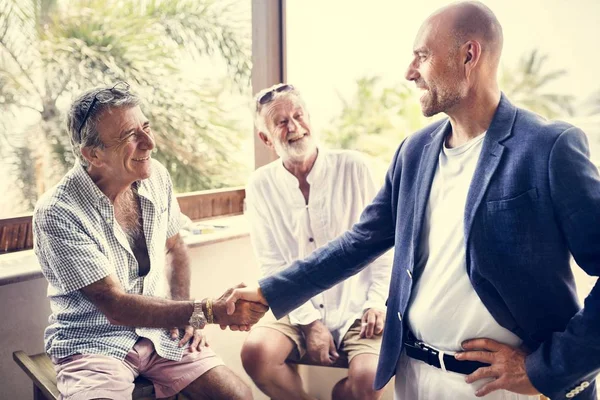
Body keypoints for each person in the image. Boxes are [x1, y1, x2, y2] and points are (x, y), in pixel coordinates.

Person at [225, 2, 600, 400]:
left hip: (505, 390)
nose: (409, 72)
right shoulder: (414, 152)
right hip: (416, 380)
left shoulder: (547, 148)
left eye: (422, 56)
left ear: (468, 55)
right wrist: (270, 293)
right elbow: (358, 244)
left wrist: (546, 368)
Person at [33, 82, 268, 400]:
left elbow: (175, 247)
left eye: (145, 127)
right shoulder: (58, 211)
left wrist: (190, 319)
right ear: (93, 154)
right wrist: (207, 311)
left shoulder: (155, 175)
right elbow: (115, 306)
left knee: (239, 396)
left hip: (161, 332)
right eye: (130, 136)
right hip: (92, 342)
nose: (150, 143)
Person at [240, 84, 392, 400]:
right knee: (255, 354)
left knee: (368, 382)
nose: (294, 127)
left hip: (357, 305)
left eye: (298, 116)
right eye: (281, 122)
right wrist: (310, 324)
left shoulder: (355, 166)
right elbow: (272, 264)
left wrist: (377, 301)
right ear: (266, 138)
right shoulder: (259, 186)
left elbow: (384, 243)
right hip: (295, 305)